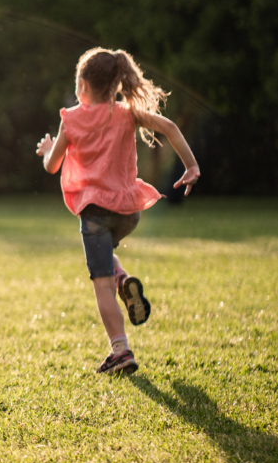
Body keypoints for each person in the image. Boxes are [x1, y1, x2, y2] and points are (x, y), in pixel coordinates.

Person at [36, 47, 200, 375]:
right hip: (128, 211)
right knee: (107, 258)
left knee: (100, 284)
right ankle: (123, 280)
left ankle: (120, 350)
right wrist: (192, 165)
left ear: (83, 85)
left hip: (95, 213)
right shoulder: (127, 113)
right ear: (115, 86)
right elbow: (168, 126)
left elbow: (52, 166)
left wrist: (45, 150)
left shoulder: (72, 119)